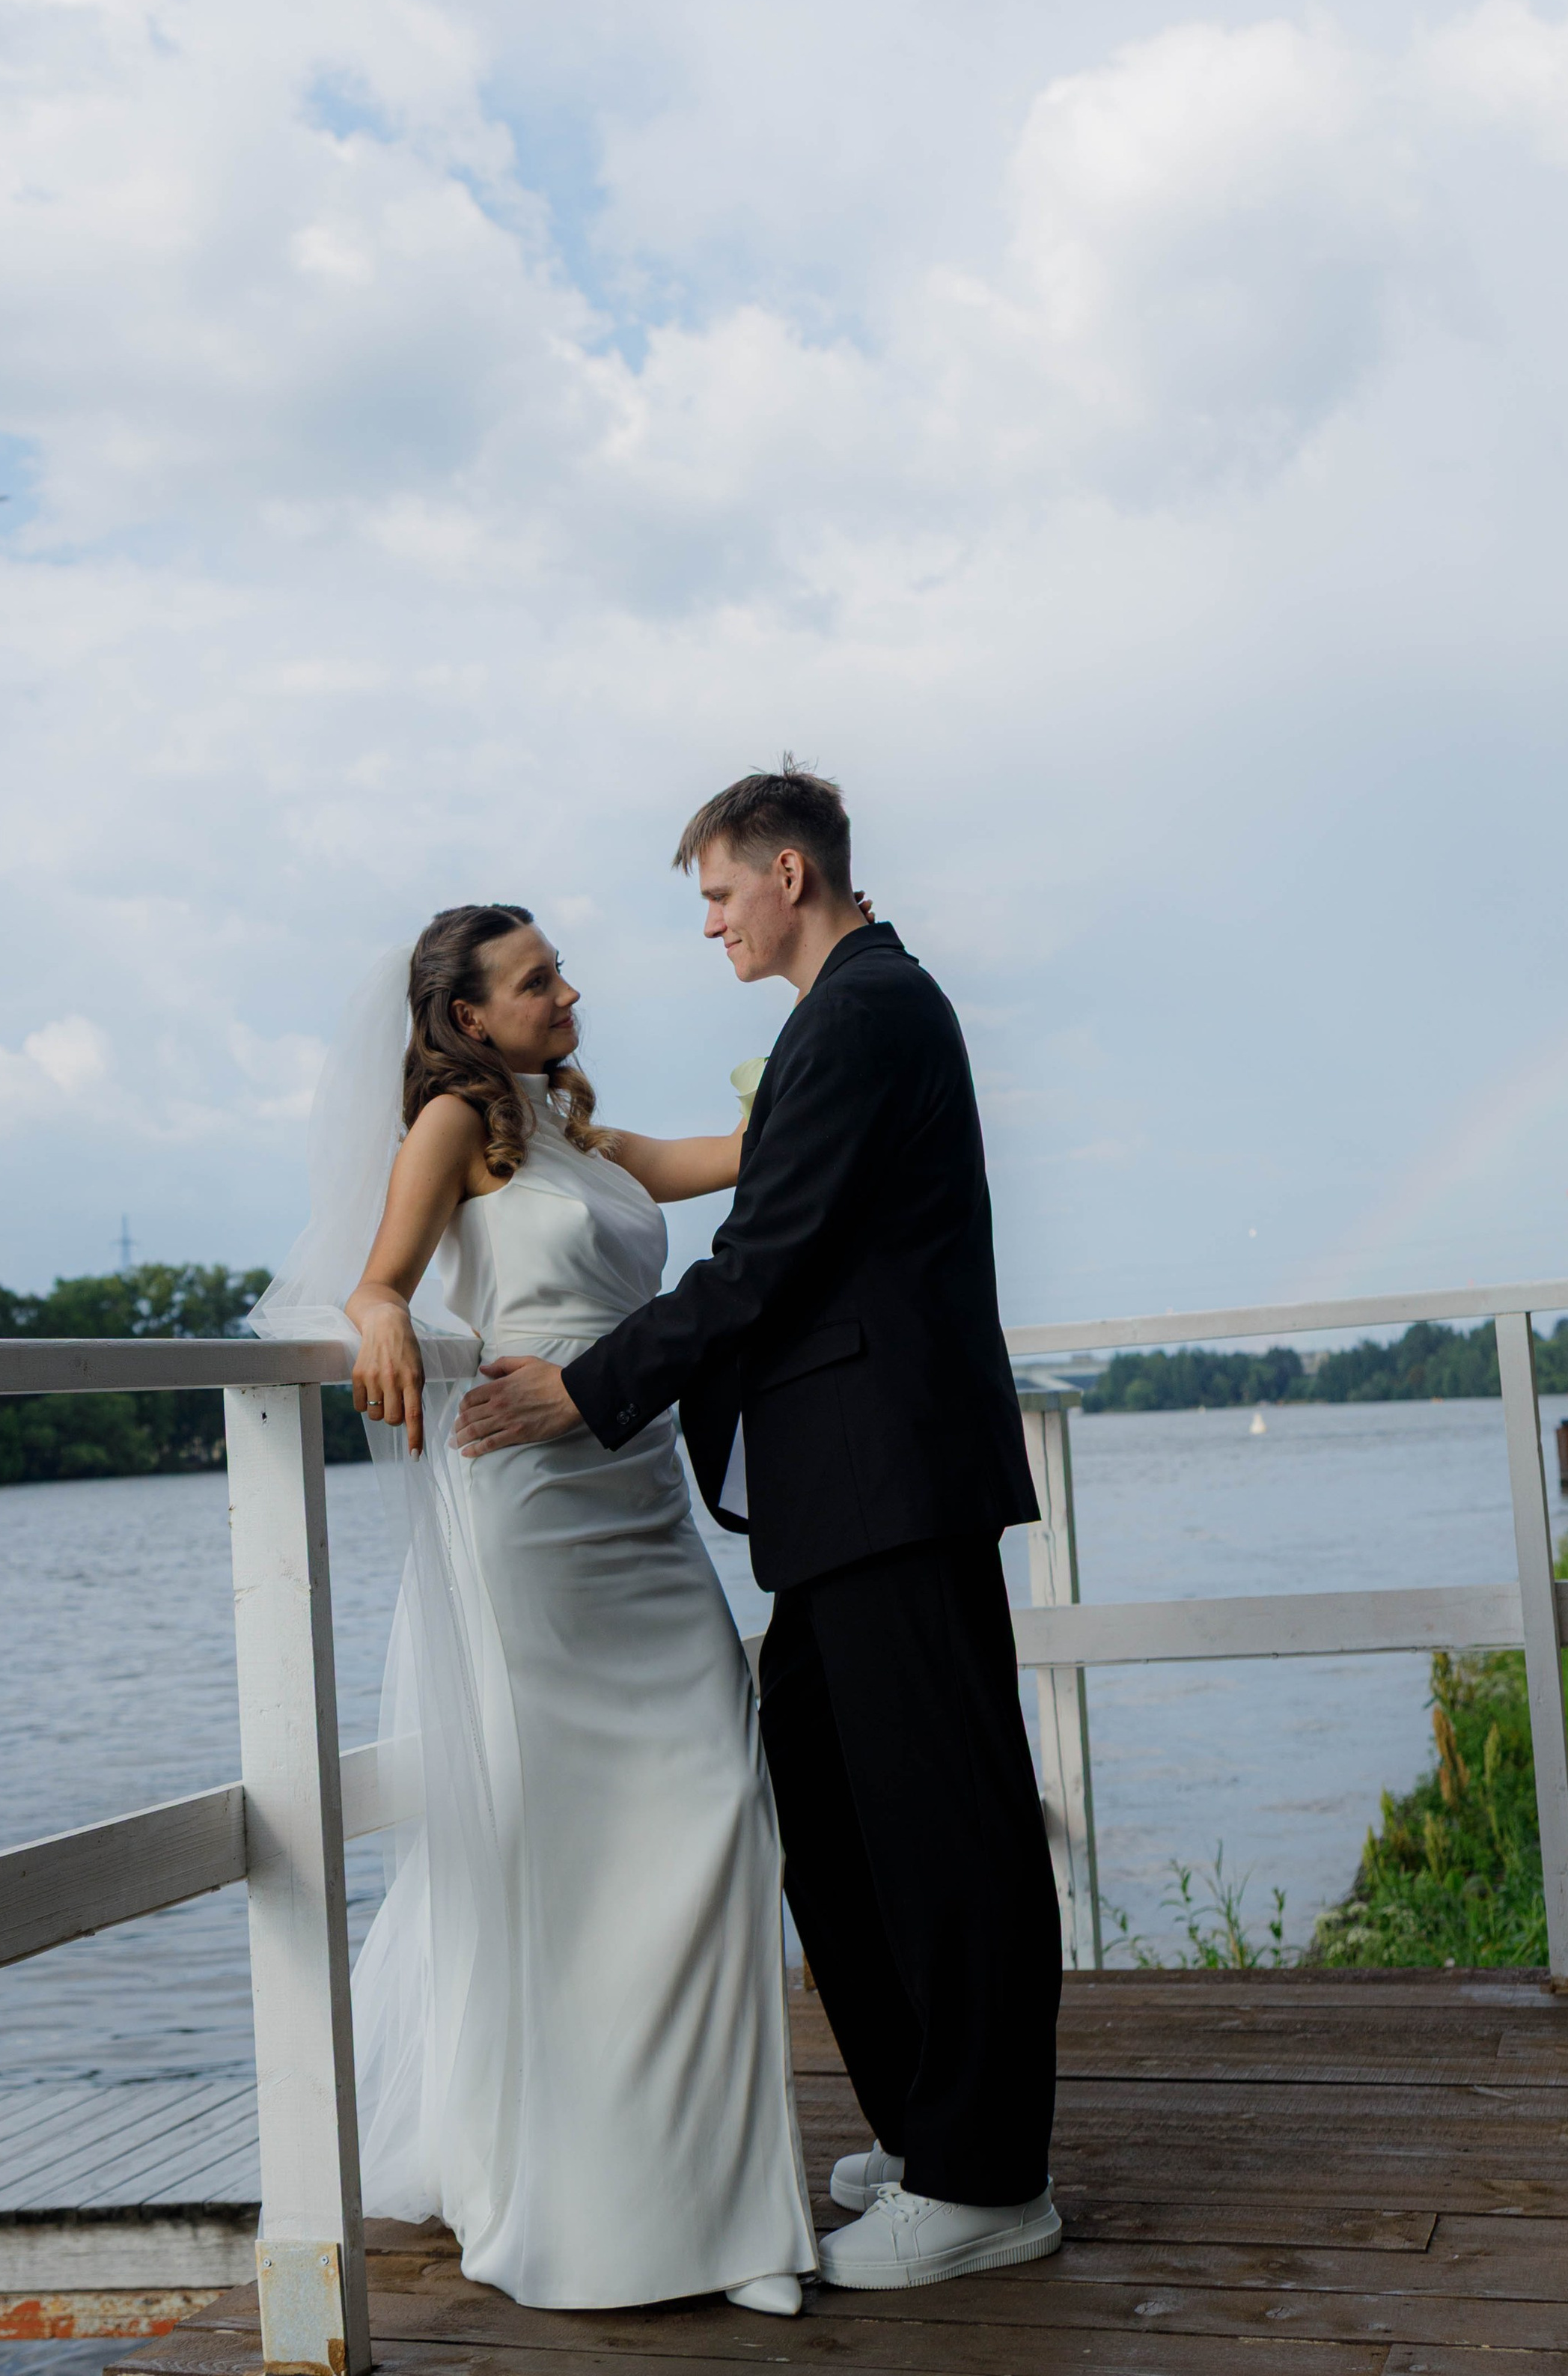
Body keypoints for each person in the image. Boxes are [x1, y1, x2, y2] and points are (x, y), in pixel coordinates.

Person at [457, 764, 1066, 2294]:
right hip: (845, 1488)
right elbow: (765, 1237)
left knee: (943, 1823)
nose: (712, 924)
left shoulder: (860, 1013)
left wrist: (590, 1388)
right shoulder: (842, 1014)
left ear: (788, 872)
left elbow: (767, 1258)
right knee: (824, 1790)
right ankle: (934, 2130)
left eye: (719, 894)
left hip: (888, 1480)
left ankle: (987, 2178)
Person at [254, 907, 816, 2318]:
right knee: (574, 1855)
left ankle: (733, 2204)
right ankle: (602, 2210)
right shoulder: (455, 1123)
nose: (570, 990)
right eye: (536, 979)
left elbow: (748, 1160)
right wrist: (381, 1313)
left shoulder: (584, 1138)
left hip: (643, 1505)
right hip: (532, 1516)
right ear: (468, 1018)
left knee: (713, 1805)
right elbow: (378, 1273)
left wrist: (819, 1064)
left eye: (560, 968)